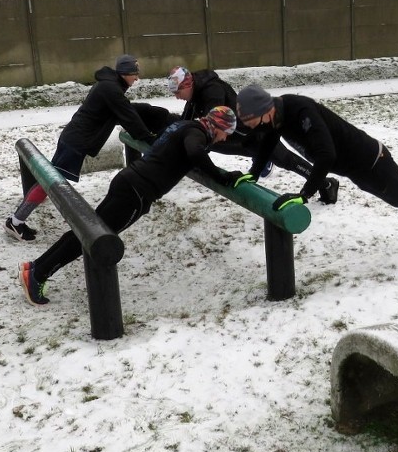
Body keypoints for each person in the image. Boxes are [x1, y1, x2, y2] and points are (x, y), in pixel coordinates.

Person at [19, 106, 244, 305]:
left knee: (84, 233)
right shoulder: (197, 133)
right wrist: (221, 177)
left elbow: (181, 152)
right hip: (137, 193)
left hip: (128, 181)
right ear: (217, 126)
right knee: (92, 240)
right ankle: (38, 274)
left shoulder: (184, 125)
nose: (225, 139)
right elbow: (195, 152)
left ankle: (36, 267)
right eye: (227, 132)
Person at [235, 84, 398, 260]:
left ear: (265, 110)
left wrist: (305, 194)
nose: (251, 128)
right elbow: (268, 141)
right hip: (356, 169)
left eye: (251, 122)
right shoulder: (275, 117)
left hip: (372, 160)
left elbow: (326, 155)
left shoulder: (299, 110)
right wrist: (254, 173)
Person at [4, 54, 158, 242]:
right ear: (125, 73)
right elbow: (129, 116)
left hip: (73, 139)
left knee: (49, 181)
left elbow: (126, 111)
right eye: (135, 73)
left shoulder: (110, 86)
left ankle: (16, 220)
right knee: (50, 183)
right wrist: (149, 139)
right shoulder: (111, 89)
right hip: (75, 142)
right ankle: (16, 221)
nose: (137, 78)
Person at [166, 66, 339, 204]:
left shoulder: (211, 90)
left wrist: (196, 150)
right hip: (237, 138)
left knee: (287, 161)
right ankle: (262, 161)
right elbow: (186, 122)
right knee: (210, 143)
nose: (176, 97)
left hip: (254, 134)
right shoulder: (195, 95)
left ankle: (327, 183)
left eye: (177, 93)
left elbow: (214, 124)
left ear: (187, 85)